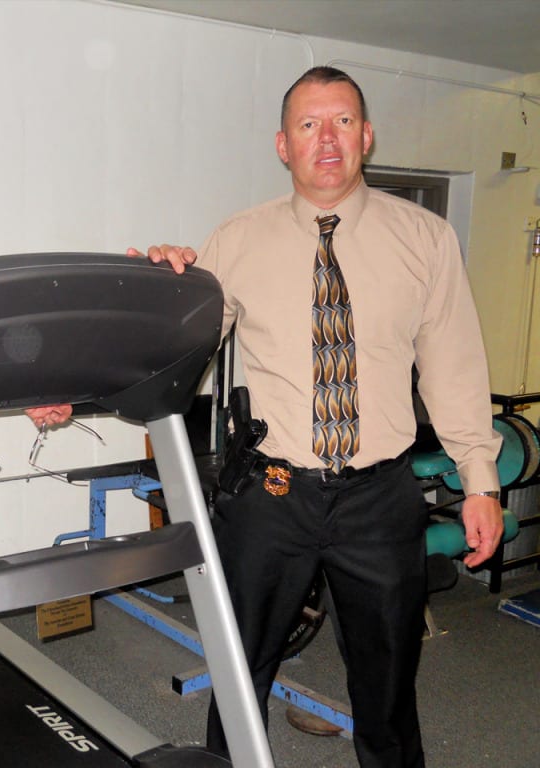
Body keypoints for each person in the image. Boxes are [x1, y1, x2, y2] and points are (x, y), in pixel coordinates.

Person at [134, 66, 503, 767]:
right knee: (239, 677)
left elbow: (455, 365)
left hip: (380, 499)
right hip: (273, 496)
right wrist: (157, 290)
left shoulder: (425, 240)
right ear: (283, 144)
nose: (326, 140)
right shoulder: (238, 240)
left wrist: (479, 481)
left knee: (388, 690)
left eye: (341, 122)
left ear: (366, 135)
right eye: (308, 125)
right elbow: (176, 353)